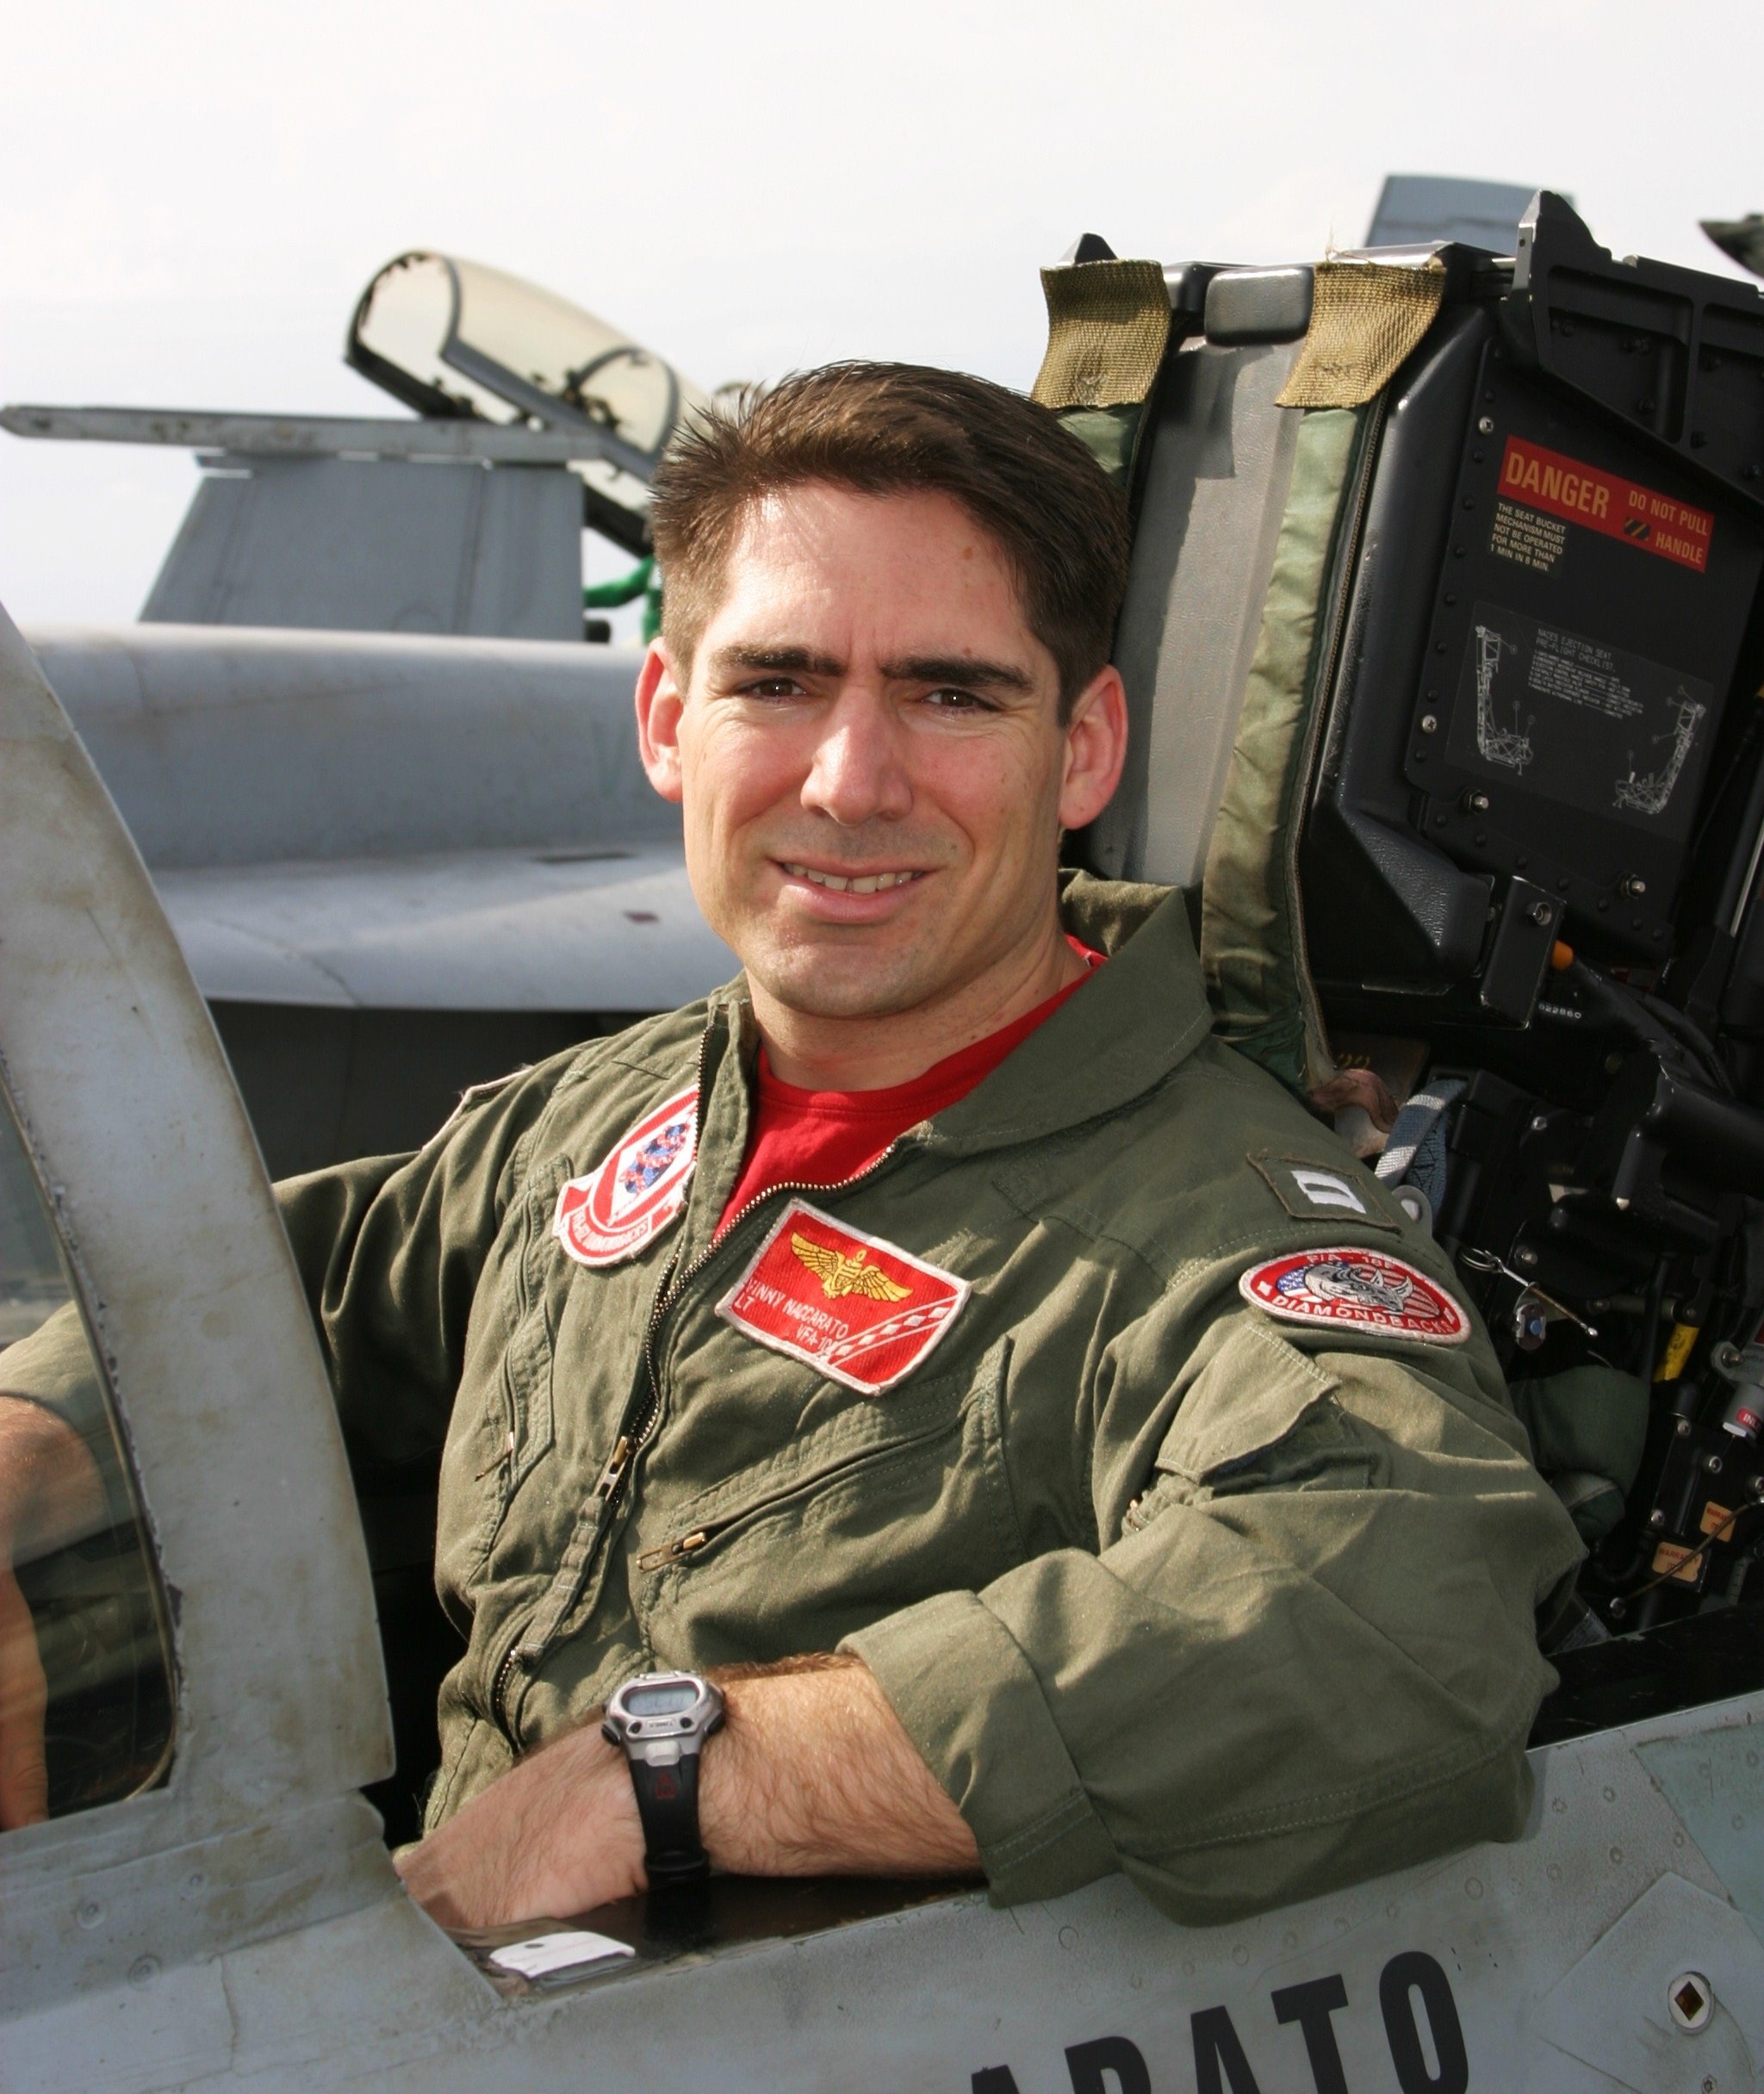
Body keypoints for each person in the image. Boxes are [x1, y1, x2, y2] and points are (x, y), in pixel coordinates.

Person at [0, 363, 1582, 1931]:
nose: (850, 782)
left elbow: (1407, 1607)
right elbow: (305, 1294)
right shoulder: (599, 1119)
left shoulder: (1208, 1238)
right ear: (667, 720)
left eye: (953, 695)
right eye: (778, 684)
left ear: (1087, 748)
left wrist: (672, 1778)